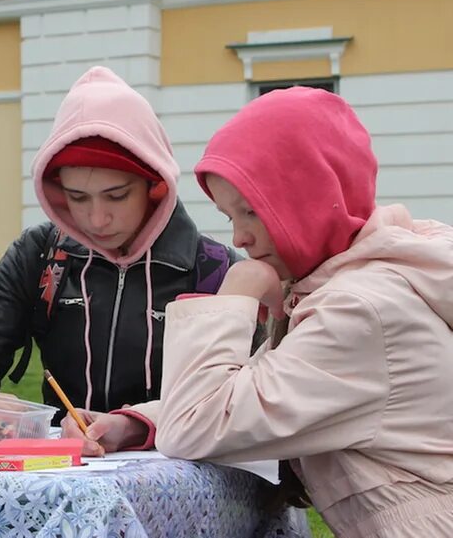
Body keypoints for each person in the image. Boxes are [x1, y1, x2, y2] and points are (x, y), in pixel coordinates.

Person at [148, 88, 453, 537]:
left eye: (251, 211)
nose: (238, 239)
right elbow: (251, 392)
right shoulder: (358, 280)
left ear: (309, 197)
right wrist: (134, 421)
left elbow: (195, 424)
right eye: (229, 216)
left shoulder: (359, 311)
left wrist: (234, 294)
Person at [0, 66, 238, 427]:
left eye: (117, 196)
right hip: (67, 471)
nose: (96, 219)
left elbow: (234, 402)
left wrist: (134, 427)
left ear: (156, 186)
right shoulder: (39, 253)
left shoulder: (214, 269)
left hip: (178, 471)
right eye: (77, 197)